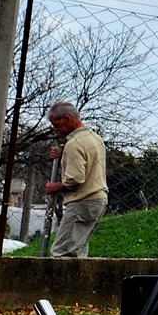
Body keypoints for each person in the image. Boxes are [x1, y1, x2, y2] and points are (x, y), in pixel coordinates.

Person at [44, 101, 108, 258]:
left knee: (63, 252)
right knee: (77, 251)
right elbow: (88, 162)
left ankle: (61, 276)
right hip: (98, 199)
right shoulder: (94, 138)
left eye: (56, 124)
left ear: (67, 118)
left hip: (82, 201)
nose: (55, 129)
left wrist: (56, 187)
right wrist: (63, 155)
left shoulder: (74, 144)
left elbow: (76, 178)